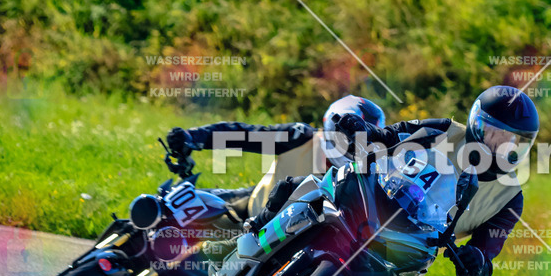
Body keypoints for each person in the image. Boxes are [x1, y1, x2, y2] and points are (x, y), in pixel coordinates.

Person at [335, 86, 539, 276]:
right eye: (494, 133)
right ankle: (268, 227)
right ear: (477, 125)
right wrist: (364, 131)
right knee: (298, 189)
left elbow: (487, 252)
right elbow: (388, 136)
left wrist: (475, 262)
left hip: (403, 251)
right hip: (367, 204)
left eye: (511, 140)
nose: (500, 145)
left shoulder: (510, 198)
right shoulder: (444, 130)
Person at [165, 95, 386, 221]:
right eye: (349, 135)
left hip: (291, 249)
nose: (354, 144)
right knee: (169, 206)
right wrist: (192, 137)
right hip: (249, 211)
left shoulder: (366, 176)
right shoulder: (300, 137)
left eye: (364, 138)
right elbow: (242, 135)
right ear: (331, 126)